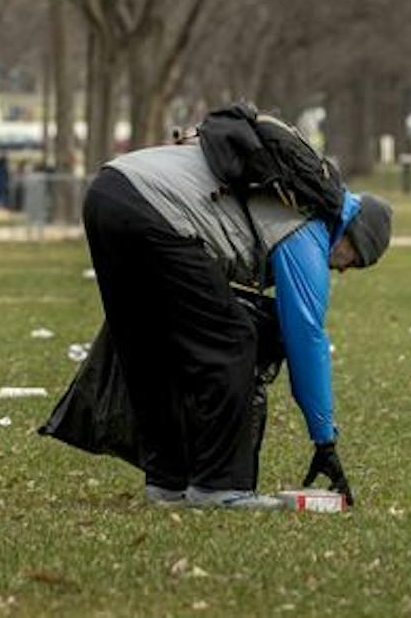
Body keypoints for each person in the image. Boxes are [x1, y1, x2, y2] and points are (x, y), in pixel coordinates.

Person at [72, 133, 394, 510]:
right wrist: (324, 440)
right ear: (351, 235)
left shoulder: (295, 194)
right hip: (153, 209)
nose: (342, 270)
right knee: (234, 341)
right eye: (353, 261)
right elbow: (306, 338)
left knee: (151, 341)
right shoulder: (308, 227)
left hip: (108, 191)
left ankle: (167, 483)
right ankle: (217, 486)